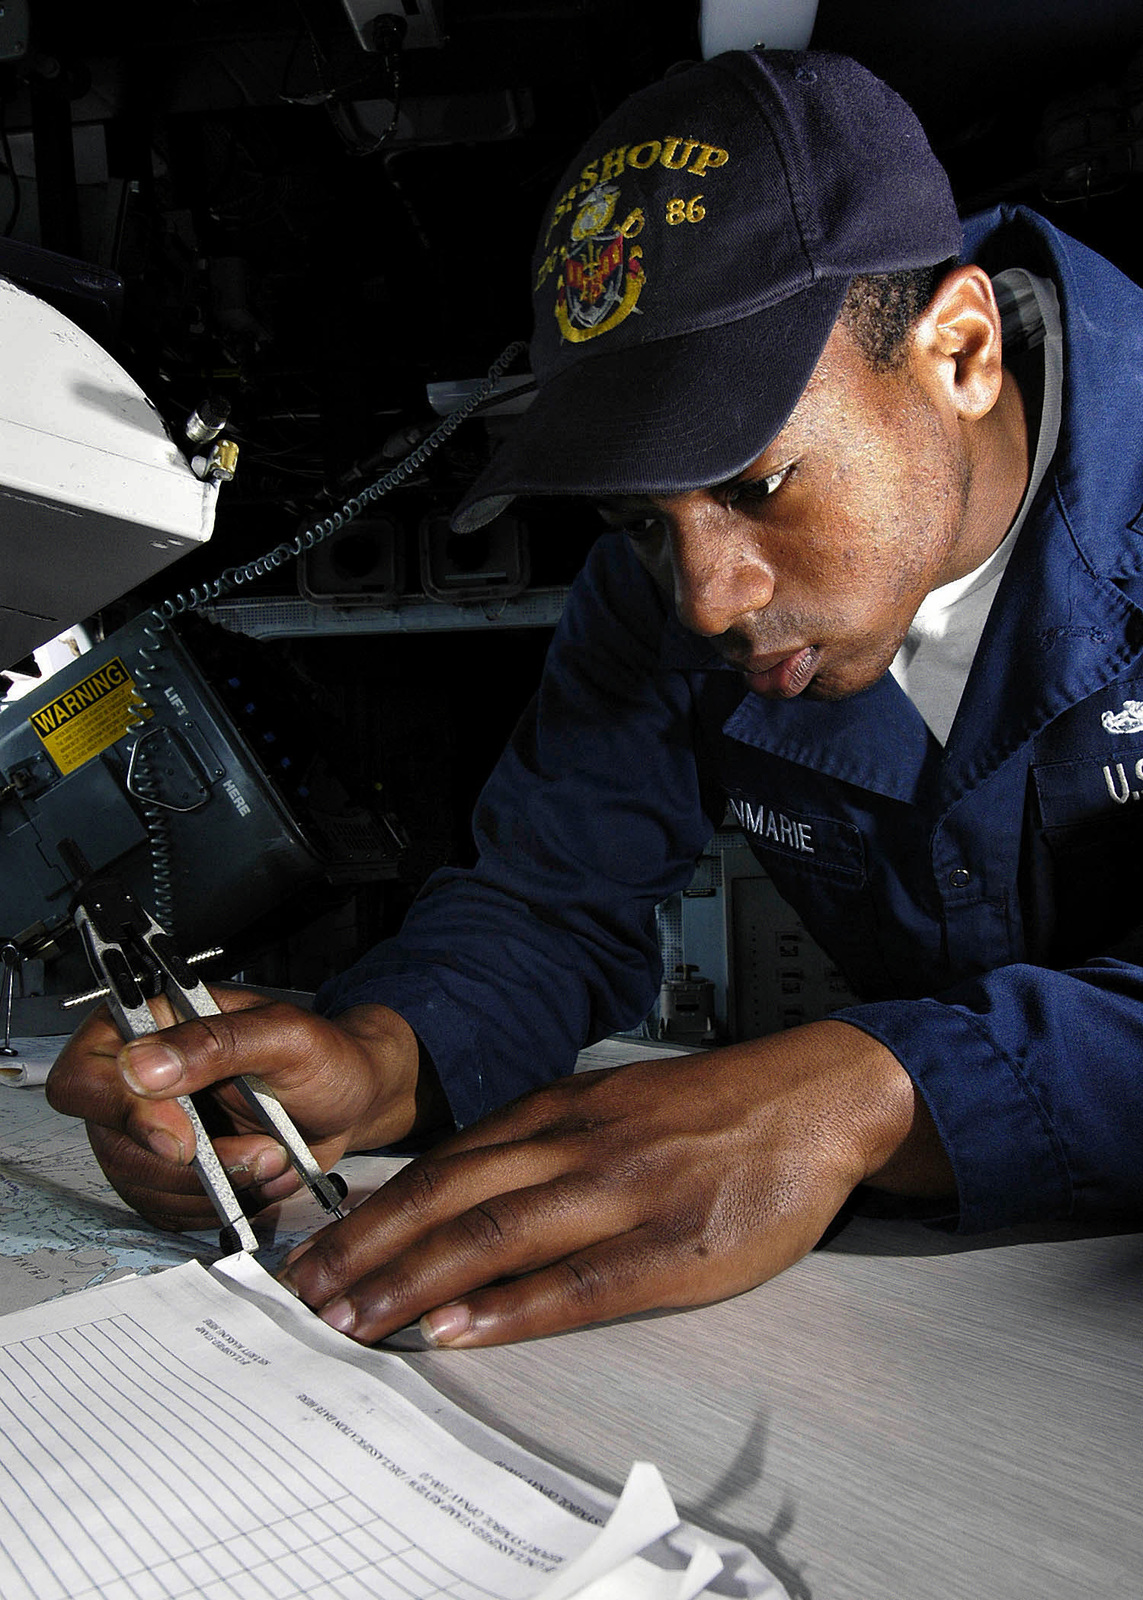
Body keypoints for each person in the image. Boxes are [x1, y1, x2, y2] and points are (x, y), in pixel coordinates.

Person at [48, 48, 1143, 1349]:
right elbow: (549, 901)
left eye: (752, 485)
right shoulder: (670, 589)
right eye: (636, 521)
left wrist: (883, 1093)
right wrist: (381, 1058)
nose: (705, 598)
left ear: (958, 351)